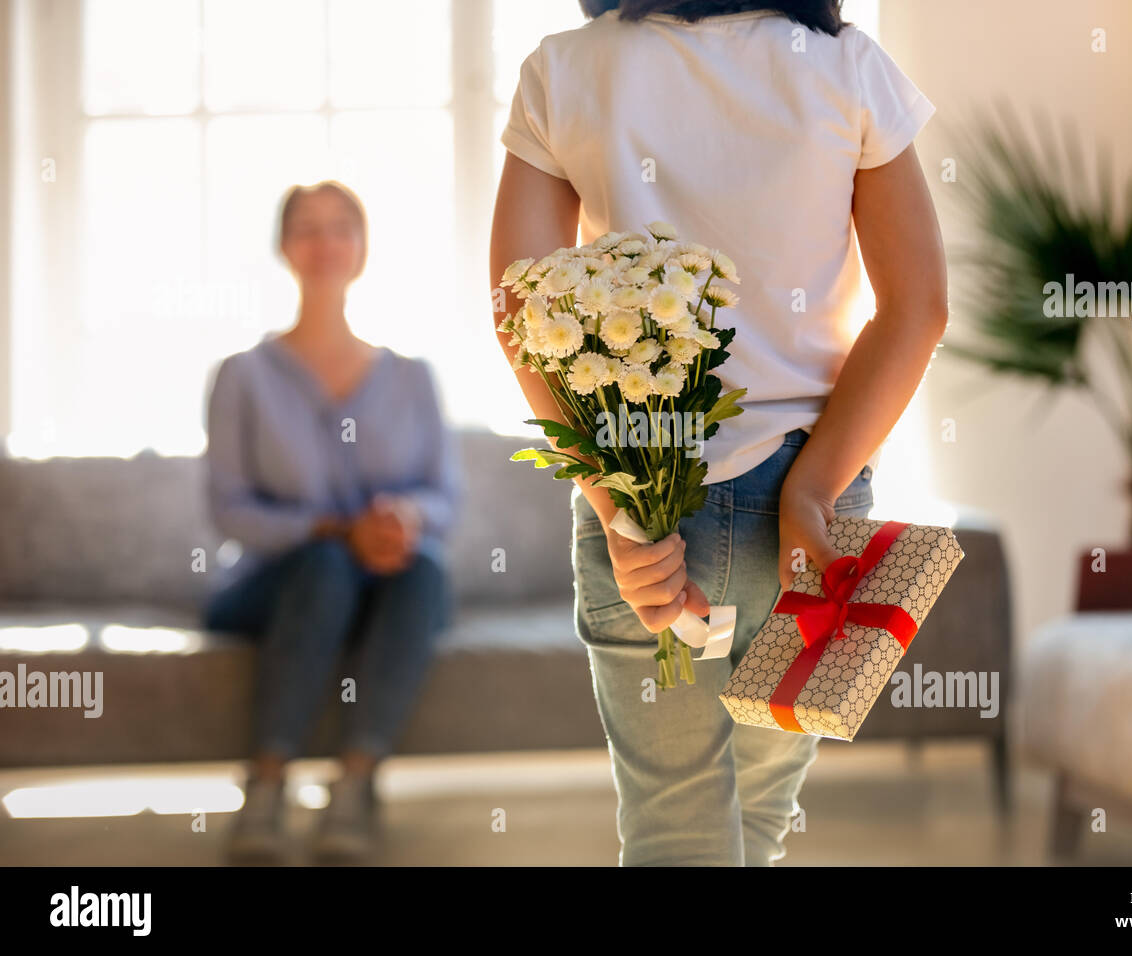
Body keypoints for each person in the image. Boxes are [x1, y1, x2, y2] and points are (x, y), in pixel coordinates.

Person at [490, 0, 946, 865]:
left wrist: (620, 507)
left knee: (675, 835)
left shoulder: (566, 68)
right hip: (812, 518)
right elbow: (918, 308)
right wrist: (809, 491)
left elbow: (520, 309)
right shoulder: (848, 70)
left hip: (652, 515)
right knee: (760, 827)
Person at [201, 180, 462, 864]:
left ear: (362, 249)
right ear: (285, 248)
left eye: (340, 226)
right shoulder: (242, 375)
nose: (324, 242)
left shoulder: (412, 377)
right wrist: (336, 532)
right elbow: (230, 512)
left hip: (390, 582)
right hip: (273, 586)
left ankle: (355, 785)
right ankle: (265, 786)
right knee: (324, 566)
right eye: (307, 228)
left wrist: (403, 517)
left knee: (425, 566)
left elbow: (444, 498)